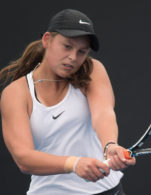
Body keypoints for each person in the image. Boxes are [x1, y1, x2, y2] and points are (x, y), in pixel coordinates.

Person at [0, 9, 135, 195]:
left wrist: (110, 145)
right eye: (67, 46)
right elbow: (23, 157)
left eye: (82, 51)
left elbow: (103, 113)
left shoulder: (92, 70)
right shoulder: (15, 93)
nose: (73, 57)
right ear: (47, 40)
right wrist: (74, 163)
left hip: (108, 191)